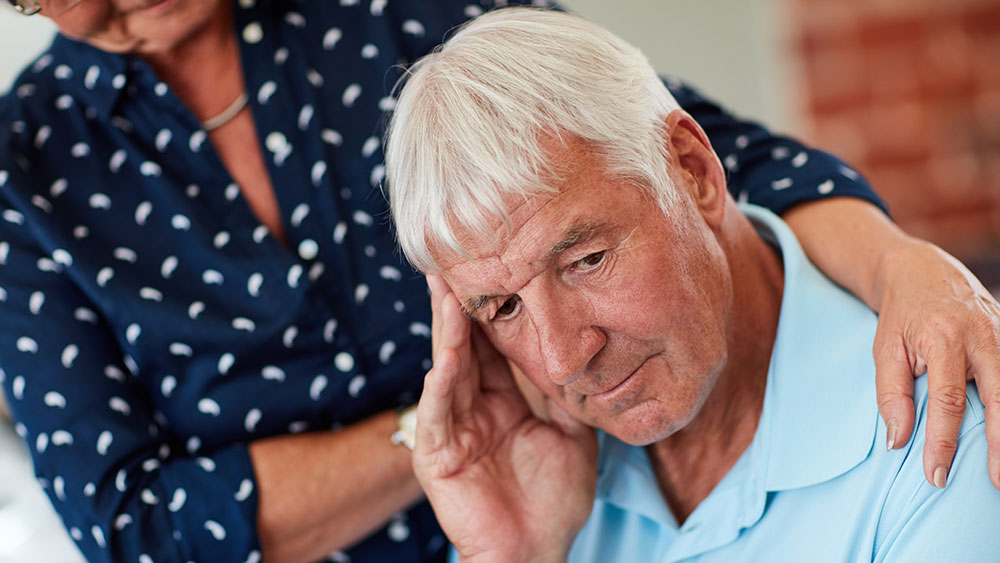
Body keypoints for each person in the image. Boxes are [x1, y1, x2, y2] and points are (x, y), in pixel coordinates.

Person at [1, 1, 998, 562]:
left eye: (583, 263)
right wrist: (448, 449)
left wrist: (908, 268)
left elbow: (678, 150)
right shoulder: (25, 165)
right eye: (501, 306)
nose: (558, 346)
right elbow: (131, 524)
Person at [385, 7, 1000, 561]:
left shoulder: (947, 446)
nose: (563, 359)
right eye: (504, 308)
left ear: (694, 171)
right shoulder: (537, 496)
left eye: (587, 260)